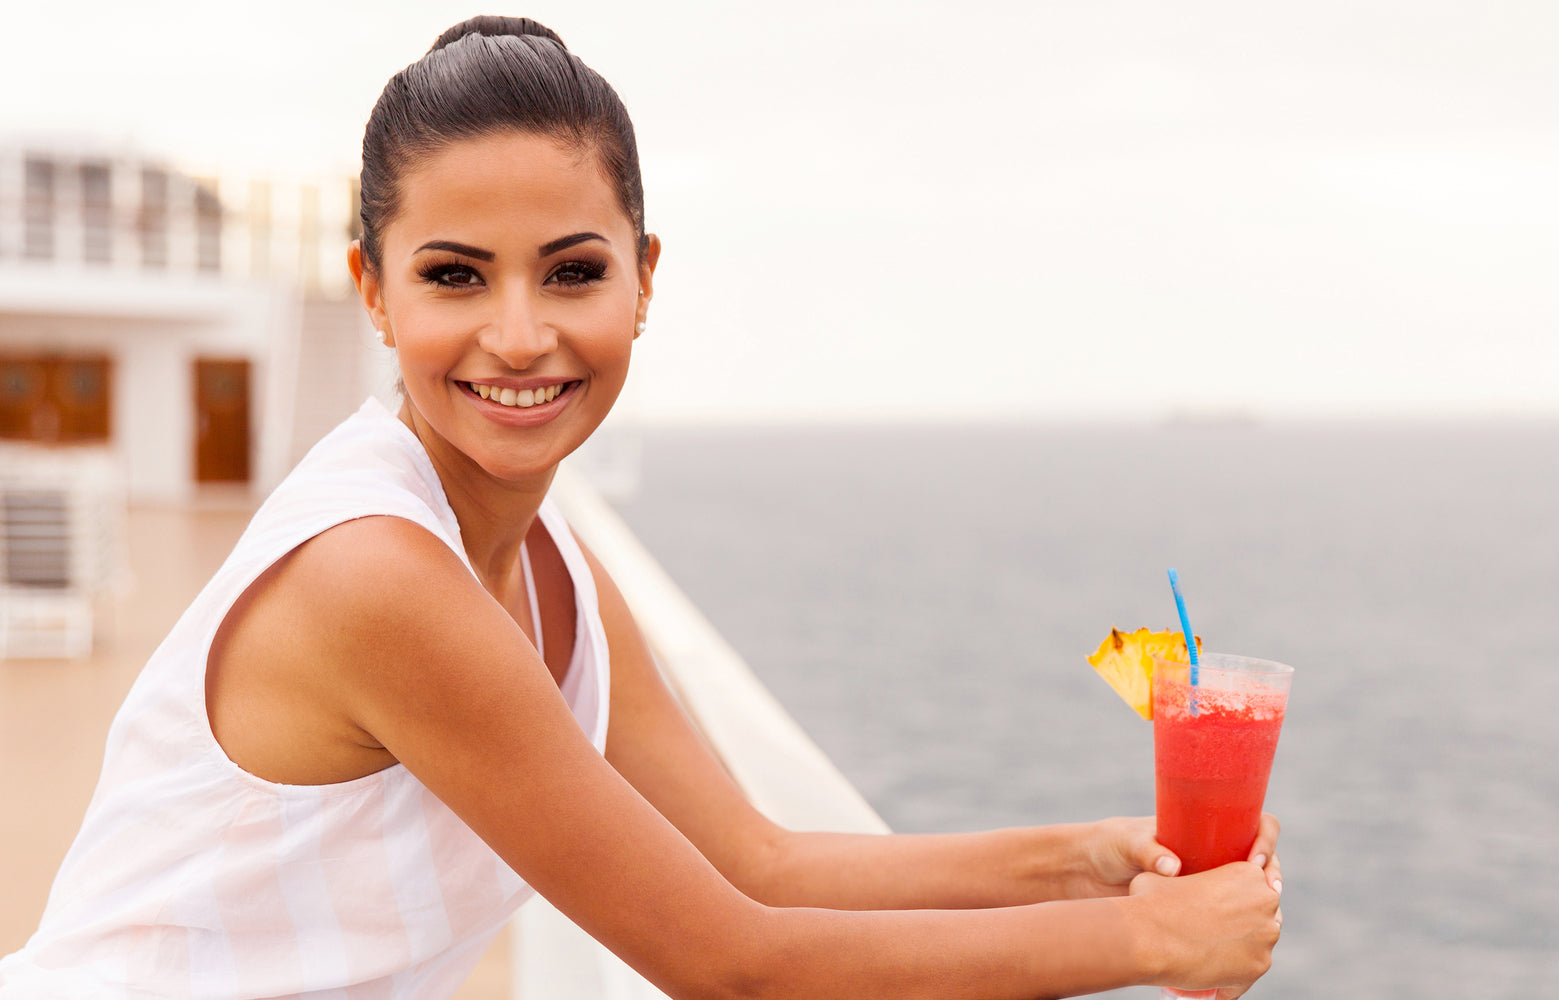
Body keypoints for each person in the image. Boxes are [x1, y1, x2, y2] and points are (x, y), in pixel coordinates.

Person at [0, 16, 1282, 999]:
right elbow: (730, 961)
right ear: (374, 293)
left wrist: (1086, 859)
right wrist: (1141, 940)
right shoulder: (376, 577)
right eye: (455, 276)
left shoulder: (550, 556)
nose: (519, 335)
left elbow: (757, 859)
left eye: (572, 271)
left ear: (643, 278)